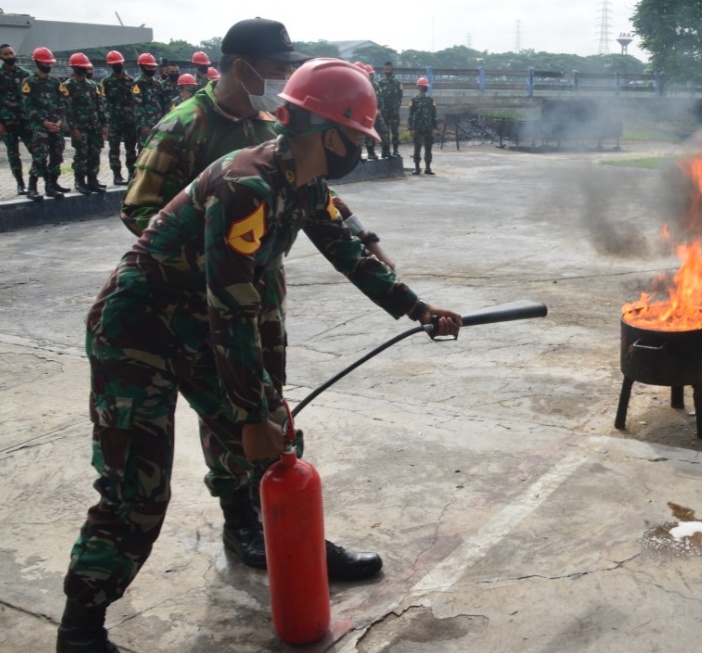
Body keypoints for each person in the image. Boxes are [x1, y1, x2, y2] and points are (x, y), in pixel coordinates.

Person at [55, 57, 462, 653]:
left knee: (280, 447)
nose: (362, 150)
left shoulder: (303, 181)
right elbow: (233, 306)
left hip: (196, 324)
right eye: (358, 137)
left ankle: (294, 546)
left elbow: (348, 249)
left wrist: (417, 309)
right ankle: (81, 628)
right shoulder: (246, 184)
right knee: (137, 490)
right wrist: (247, 415)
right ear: (328, 133)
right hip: (136, 334)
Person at [121, 17, 394, 580]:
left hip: (260, 295)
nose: (284, 77)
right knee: (233, 412)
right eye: (276, 68)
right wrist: (211, 262)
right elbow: (139, 209)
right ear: (242, 66)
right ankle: (241, 518)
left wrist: (363, 236)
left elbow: (317, 191)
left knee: (268, 406)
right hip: (199, 301)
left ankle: (288, 524)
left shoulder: (276, 121)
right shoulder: (184, 126)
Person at [22, 46, 70, 199]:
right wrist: (44, 122)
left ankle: (52, 185)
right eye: (45, 63)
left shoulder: (55, 82)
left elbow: (62, 103)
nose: (48, 66)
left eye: (50, 63)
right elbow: (27, 106)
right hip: (39, 126)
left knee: (57, 154)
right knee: (40, 156)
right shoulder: (29, 82)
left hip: (56, 125)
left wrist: (59, 121)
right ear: (37, 62)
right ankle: (32, 187)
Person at [64, 53, 108, 194]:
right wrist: (73, 128)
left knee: (95, 153)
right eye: (80, 67)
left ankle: (93, 180)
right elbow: (68, 109)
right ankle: (80, 181)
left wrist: (104, 126)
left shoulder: (93, 85)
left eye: (85, 67)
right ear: (74, 67)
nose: (84, 69)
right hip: (80, 127)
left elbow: (100, 107)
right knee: (81, 155)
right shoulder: (67, 86)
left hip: (94, 126)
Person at [0, 43, 33, 196]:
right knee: (14, 154)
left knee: (36, 151)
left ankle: (40, 180)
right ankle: (20, 184)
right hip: (7, 122)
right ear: (1, 57)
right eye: (6, 54)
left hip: (25, 119)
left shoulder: (25, 74)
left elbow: (33, 97)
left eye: (11, 53)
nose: (9, 56)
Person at [101, 50, 137, 185]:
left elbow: (135, 101)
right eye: (114, 64)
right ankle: (117, 175)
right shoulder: (106, 82)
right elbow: (104, 102)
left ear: (123, 63)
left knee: (131, 149)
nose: (117, 66)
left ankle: (132, 174)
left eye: (119, 63)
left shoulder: (131, 82)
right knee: (114, 149)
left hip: (130, 121)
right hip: (114, 122)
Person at [131, 53, 167, 149]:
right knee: (144, 151)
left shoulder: (157, 84)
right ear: (142, 67)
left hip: (158, 123)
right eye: (149, 67)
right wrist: (142, 125)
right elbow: (137, 105)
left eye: (153, 67)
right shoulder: (138, 83)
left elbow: (162, 103)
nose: (152, 69)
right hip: (146, 125)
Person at [408, 76, 437, 175]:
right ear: (419, 87)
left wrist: (434, 128)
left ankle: (428, 168)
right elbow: (411, 115)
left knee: (428, 148)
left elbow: (434, 115)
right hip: (417, 128)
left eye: (426, 86)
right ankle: (417, 168)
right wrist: (411, 128)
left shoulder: (430, 100)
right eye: (423, 86)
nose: (425, 88)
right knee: (417, 148)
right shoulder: (414, 100)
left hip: (428, 127)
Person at [356, 62, 383, 160]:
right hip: (358, 113)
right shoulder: (357, 84)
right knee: (357, 135)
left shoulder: (373, 85)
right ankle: (357, 155)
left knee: (370, 133)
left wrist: (378, 109)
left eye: (372, 74)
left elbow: (378, 99)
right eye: (369, 74)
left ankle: (371, 152)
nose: (371, 76)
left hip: (370, 112)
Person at [378, 61, 402, 157]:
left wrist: (396, 107)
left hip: (394, 112)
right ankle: (386, 151)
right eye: (385, 69)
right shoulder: (380, 83)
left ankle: (395, 150)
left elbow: (400, 96)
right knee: (384, 132)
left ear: (392, 70)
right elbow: (379, 97)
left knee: (395, 131)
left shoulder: (397, 83)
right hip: (384, 112)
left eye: (388, 69)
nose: (386, 71)